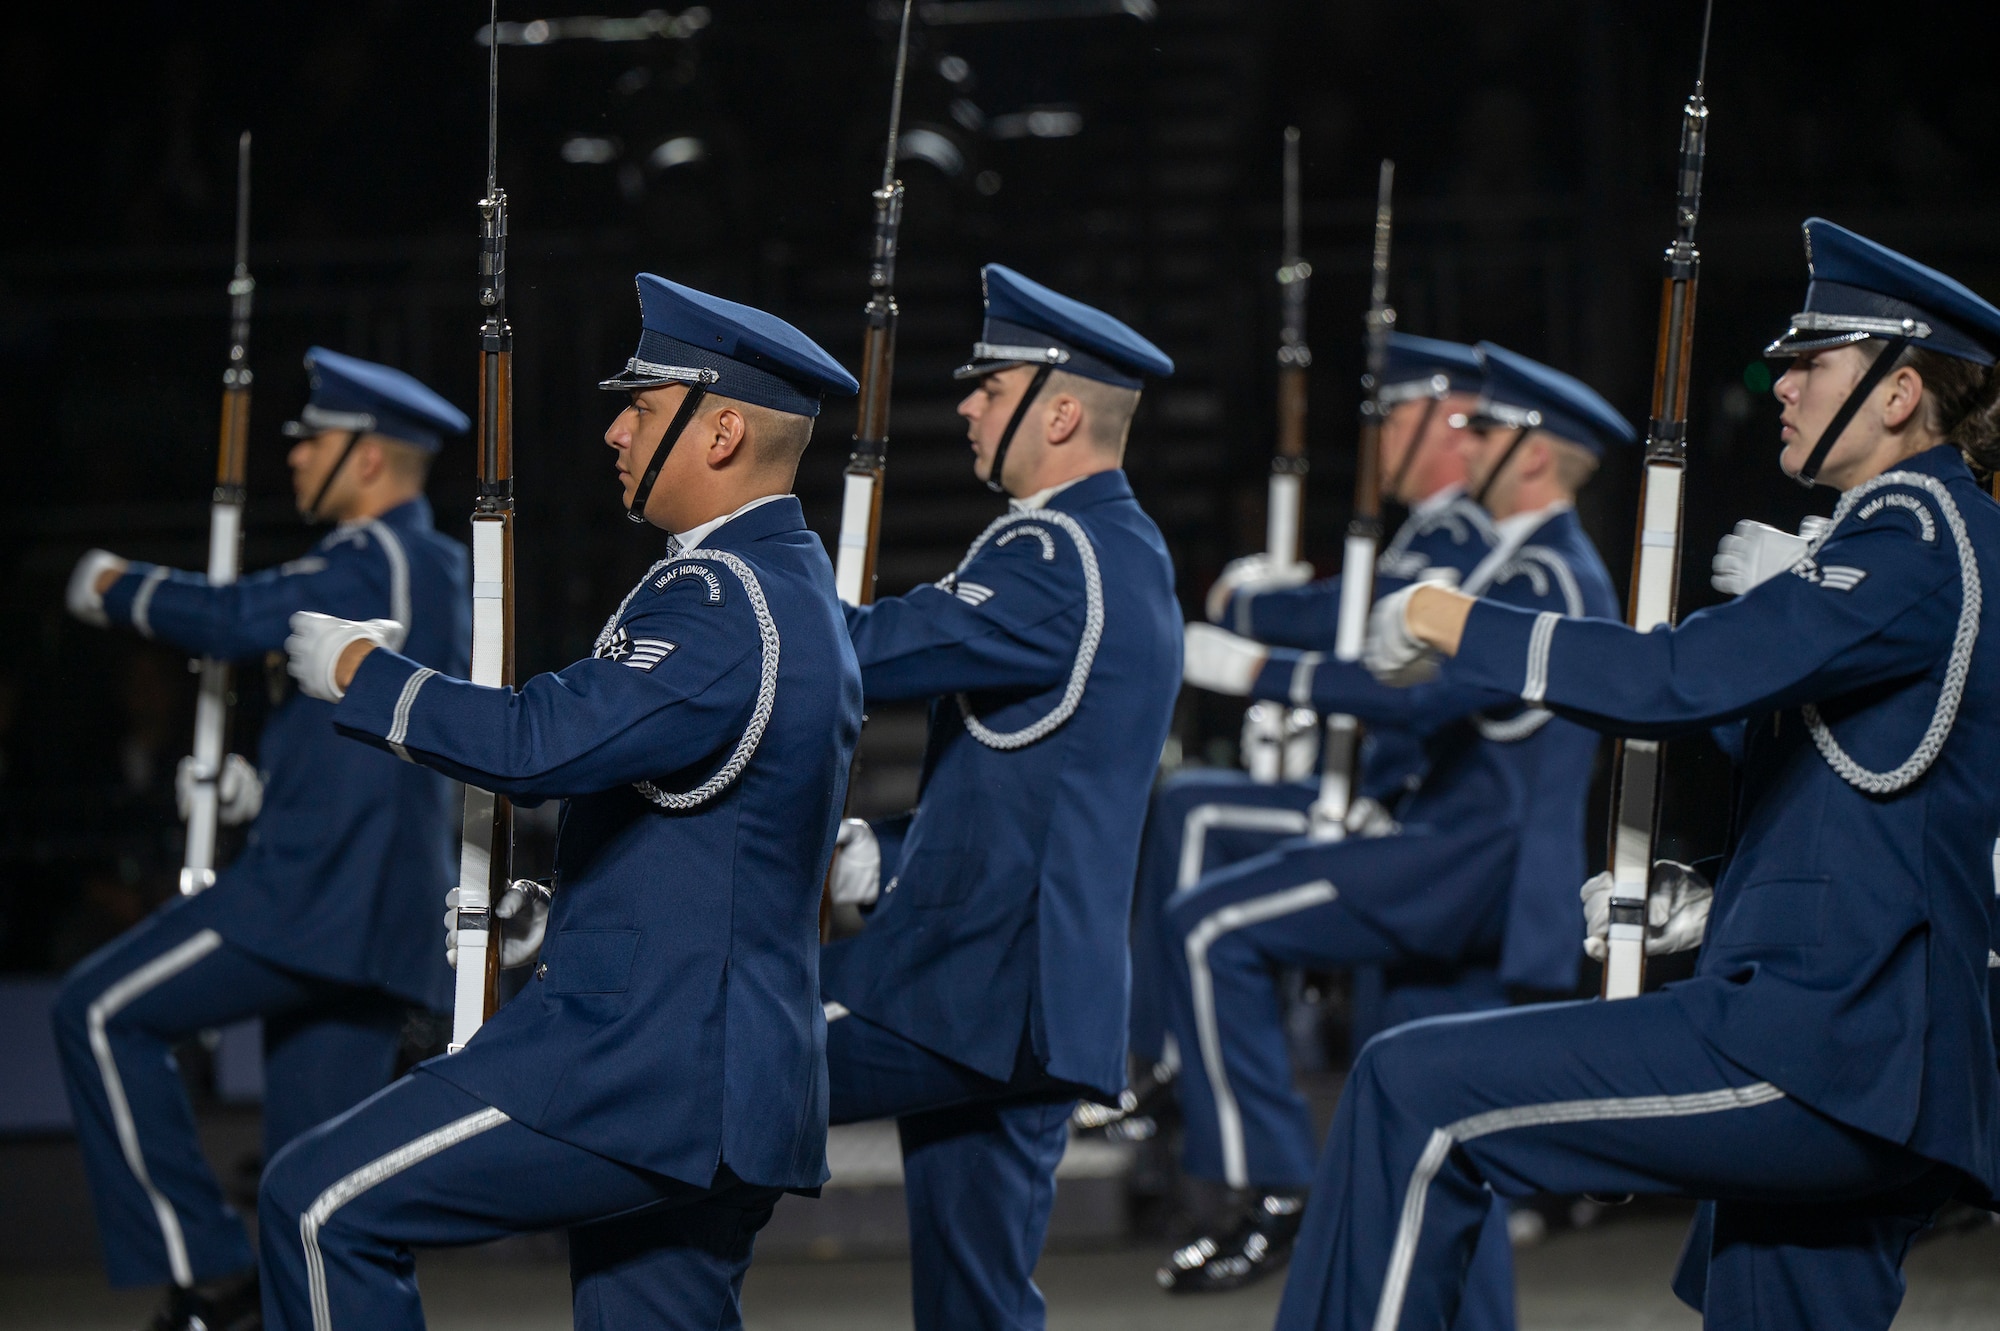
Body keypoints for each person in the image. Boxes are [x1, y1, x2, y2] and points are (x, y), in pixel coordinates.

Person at [1289, 217, 2000, 1331]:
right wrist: (1712, 902)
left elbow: (1672, 678)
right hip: (1864, 1042)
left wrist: (1448, 618)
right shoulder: (1926, 540)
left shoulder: (1915, 533)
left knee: (1410, 1091)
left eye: (1811, 361)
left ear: (1900, 390)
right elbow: (1881, 801)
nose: (1779, 383)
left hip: (1829, 1045)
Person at [255, 275, 862, 1331]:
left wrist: (366, 673)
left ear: (719, 431)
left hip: (643, 1068)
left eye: (640, 403)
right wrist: (568, 918)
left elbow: (541, 743)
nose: (611, 427)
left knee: (315, 1204)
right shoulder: (784, 589)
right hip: (719, 1074)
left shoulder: (725, 600)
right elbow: (706, 821)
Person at [1162, 342, 1628, 1296]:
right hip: (1447, 861)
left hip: (1464, 865)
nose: (1469, 439)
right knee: (1443, 1139)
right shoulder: (1517, 565)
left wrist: (1256, 670)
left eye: (1487, 429)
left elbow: (1424, 699)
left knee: (1210, 926)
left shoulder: (1544, 579)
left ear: (1534, 456)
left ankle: (1272, 1181)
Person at [53, 349, 471, 1331]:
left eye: (312, 442)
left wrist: (115, 584)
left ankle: (206, 1266)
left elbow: (238, 616)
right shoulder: (414, 568)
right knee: (308, 1192)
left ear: (366, 460)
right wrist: (264, 786)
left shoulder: (381, 558)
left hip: (315, 894)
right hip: (368, 907)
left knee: (101, 1011)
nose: (293, 460)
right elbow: (370, 716)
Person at [818, 264, 1184, 1330]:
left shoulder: (1049, 551)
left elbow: (860, 655)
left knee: (702, 1045)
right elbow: (1035, 774)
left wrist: (744, 562)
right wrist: (888, 852)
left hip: (966, 988)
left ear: (1058, 408)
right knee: (977, 1308)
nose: (966, 403)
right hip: (1031, 993)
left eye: (990, 385)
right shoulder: (1128, 547)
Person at [1109, 334, 1497, 1143]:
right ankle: (1162, 1048)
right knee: (1191, 807)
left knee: (1199, 818)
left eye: (1396, 418)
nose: (1380, 437)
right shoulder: (1428, 534)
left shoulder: (1459, 538)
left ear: (1451, 421)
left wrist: (1252, 616)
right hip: (1374, 789)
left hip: (1400, 808)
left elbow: (1352, 617)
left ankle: (1167, 1052)